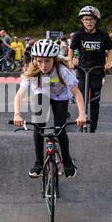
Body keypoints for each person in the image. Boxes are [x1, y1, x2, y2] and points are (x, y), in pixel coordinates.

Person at [13, 39, 87, 179]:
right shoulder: (33, 70)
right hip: (42, 94)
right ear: (35, 60)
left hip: (61, 97)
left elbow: (77, 94)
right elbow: (19, 95)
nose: (43, 65)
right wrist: (17, 114)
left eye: (47, 61)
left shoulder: (62, 70)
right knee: (38, 127)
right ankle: (39, 163)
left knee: (60, 130)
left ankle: (67, 162)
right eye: (40, 61)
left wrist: (82, 115)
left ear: (54, 59)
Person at [68, 5, 112, 133]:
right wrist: (70, 61)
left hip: (97, 70)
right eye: (86, 19)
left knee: (94, 101)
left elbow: (111, 49)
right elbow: (71, 49)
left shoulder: (102, 35)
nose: (89, 22)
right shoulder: (78, 35)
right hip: (82, 70)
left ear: (96, 21)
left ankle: (93, 128)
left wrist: (108, 62)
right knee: (82, 99)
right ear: (82, 21)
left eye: (91, 19)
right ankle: (81, 121)